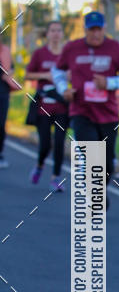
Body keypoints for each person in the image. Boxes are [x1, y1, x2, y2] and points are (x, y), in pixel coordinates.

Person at [52, 11, 119, 205]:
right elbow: (57, 71)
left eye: (99, 29)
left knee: (107, 164)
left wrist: (109, 83)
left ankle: (99, 190)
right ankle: (95, 198)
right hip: (81, 111)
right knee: (91, 156)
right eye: (91, 30)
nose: (95, 34)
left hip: (109, 115)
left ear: (104, 28)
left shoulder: (115, 48)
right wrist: (64, 89)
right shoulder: (73, 48)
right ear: (85, 29)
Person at [25, 21, 69, 191]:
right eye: (53, 30)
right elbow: (28, 74)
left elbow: (75, 73)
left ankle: (55, 178)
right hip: (43, 106)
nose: (56, 34)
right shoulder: (39, 54)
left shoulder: (67, 54)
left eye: (59, 30)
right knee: (45, 144)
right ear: (47, 33)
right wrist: (45, 75)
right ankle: (39, 165)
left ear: (62, 33)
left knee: (59, 142)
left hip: (62, 106)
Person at [0, 41, 21, 168]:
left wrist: (9, 73)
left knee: (1, 125)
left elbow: (11, 67)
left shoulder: (5, 51)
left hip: (3, 93)